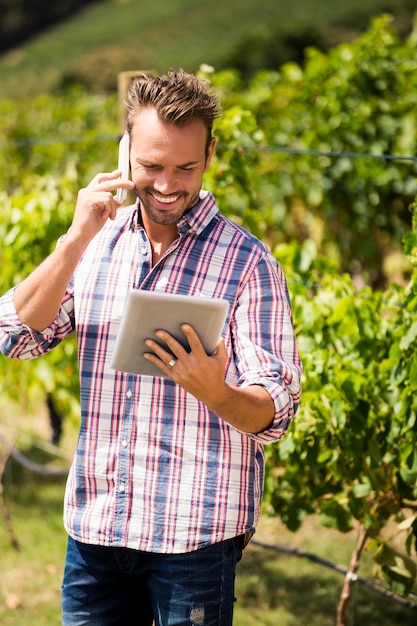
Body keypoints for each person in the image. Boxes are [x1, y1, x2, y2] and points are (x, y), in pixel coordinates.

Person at [0, 69, 302, 626]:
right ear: (124, 152)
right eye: (151, 166)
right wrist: (73, 240)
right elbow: (15, 336)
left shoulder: (249, 263)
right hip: (96, 533)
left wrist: (219, 392)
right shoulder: (94, 246)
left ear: (210, 153)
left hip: (194, 538)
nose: (167, 184)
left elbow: (276, 411)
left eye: (185, 167)